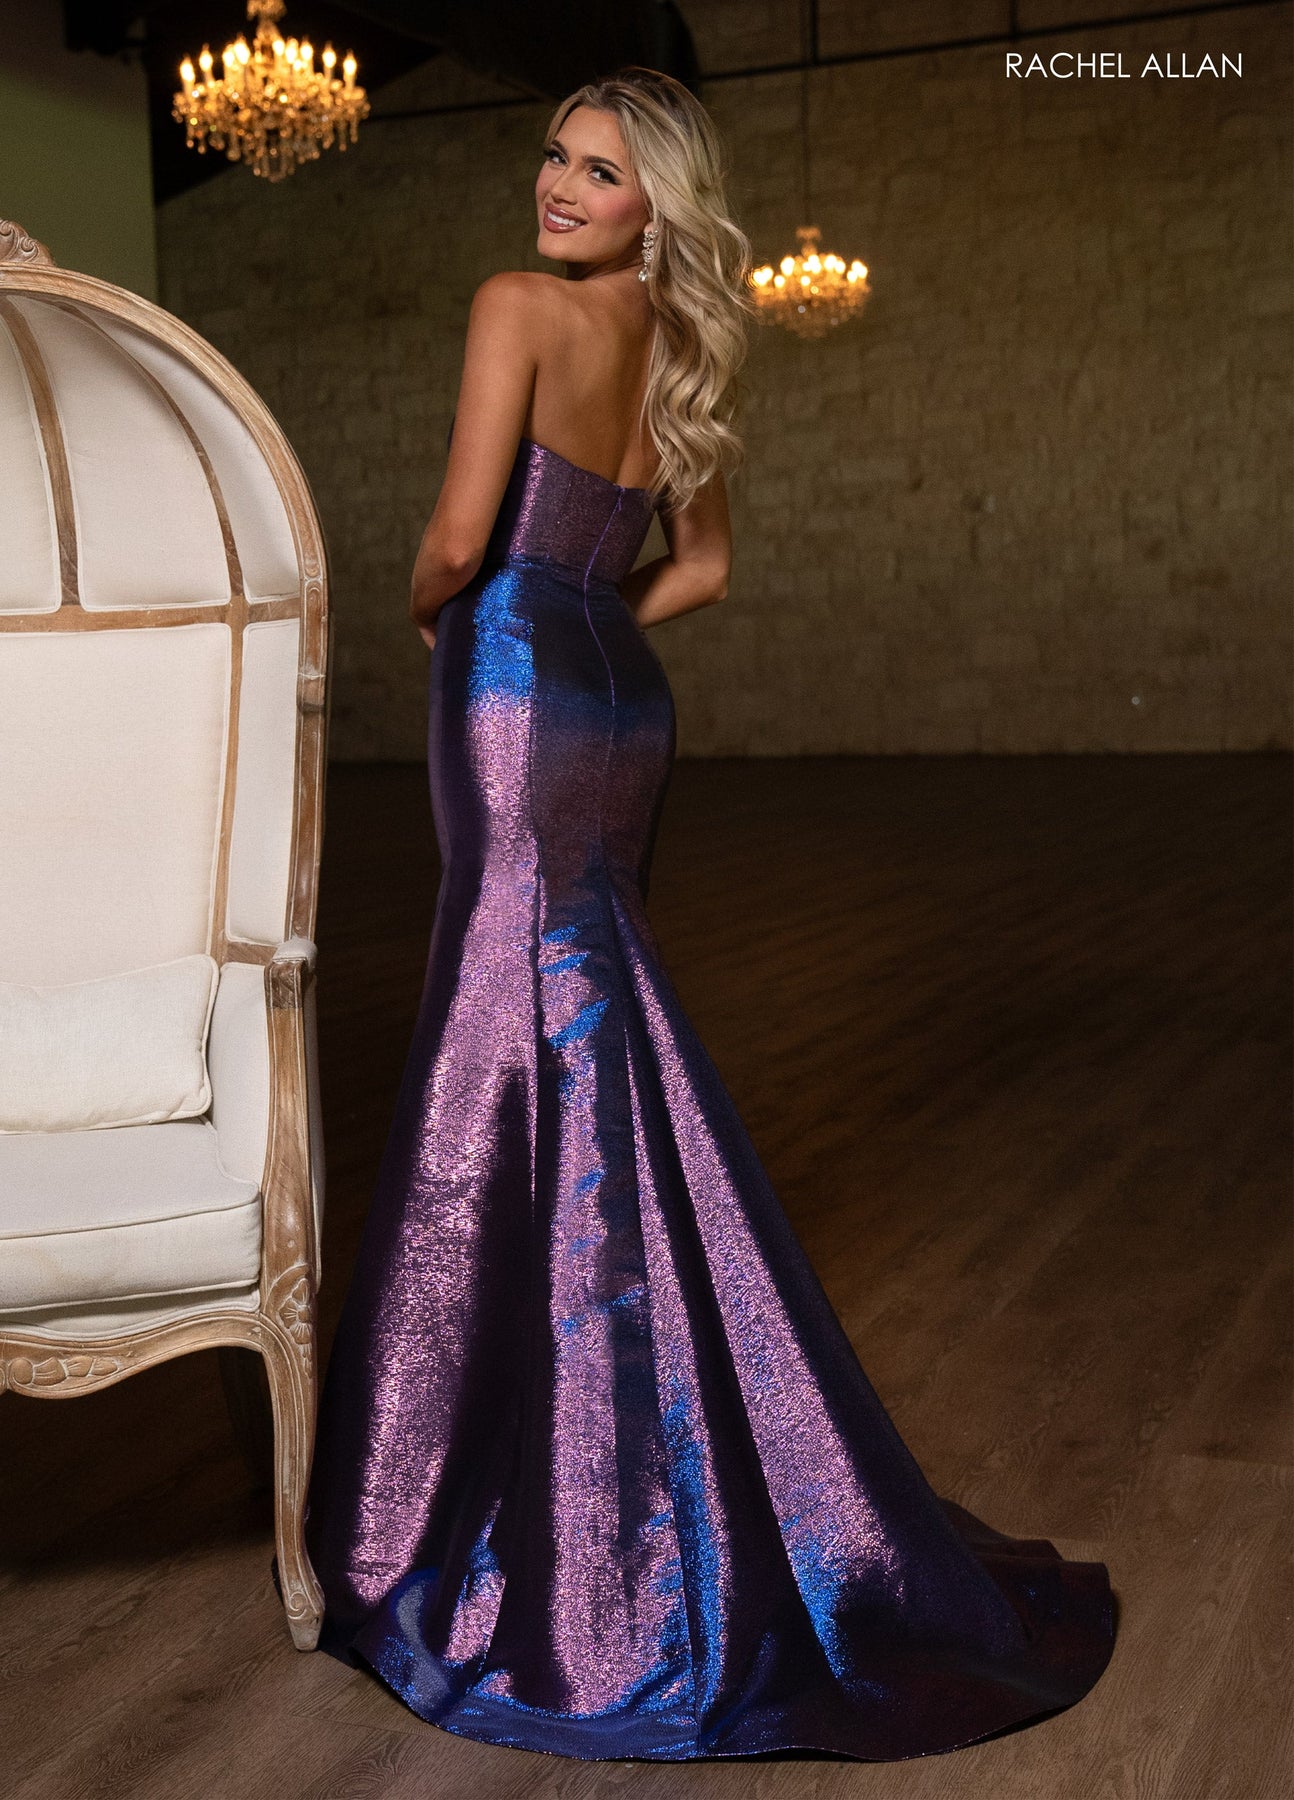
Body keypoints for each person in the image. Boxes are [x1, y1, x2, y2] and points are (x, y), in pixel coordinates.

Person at [302, 66, 1116, 1762]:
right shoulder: (678, 343)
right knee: (592, 1030)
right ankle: (617, 1418)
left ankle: (499, 1490)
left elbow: (451, 536)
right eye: (553, 156)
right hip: (621, 692)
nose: (557, 185)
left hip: (516, 676)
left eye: (598, 171)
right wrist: (588, 611)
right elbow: (704, 569)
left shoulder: (514, 305)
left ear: (652, 200)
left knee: (504, 1031)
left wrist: (446, 613)